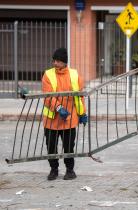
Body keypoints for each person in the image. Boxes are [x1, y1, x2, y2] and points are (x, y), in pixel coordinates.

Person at [42, 47, 88, 181]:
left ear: (64, 62)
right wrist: (59, 107)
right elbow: (48, 95)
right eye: (54, 60)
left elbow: (79, 97)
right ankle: (53, 170)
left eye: (58, 61)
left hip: (69, 119)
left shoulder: (74, 75)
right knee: (51, 146)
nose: (55, 63)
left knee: (69, 147)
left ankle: (70, 170)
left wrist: (82, 113)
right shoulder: (48, 75)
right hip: (52, 119)